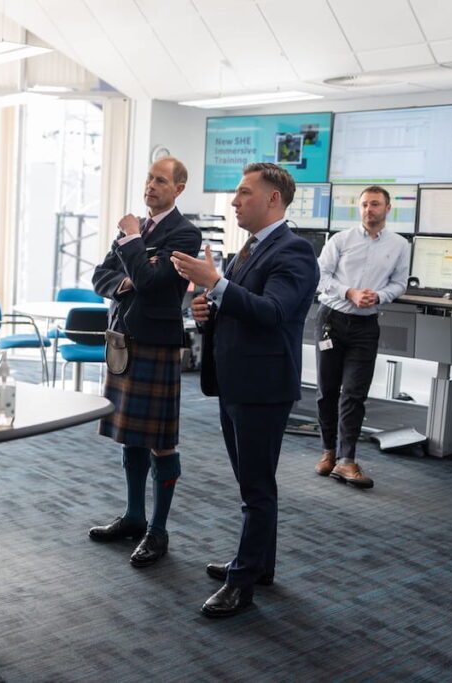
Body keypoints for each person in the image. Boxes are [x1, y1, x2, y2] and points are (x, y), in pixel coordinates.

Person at [170, 162, 318, 618]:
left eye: (243, 193)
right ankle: (260, 565)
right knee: (252, 483)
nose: (233, 201)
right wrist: (205, 306)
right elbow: (237, 306)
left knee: (256, 488)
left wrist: (216, 284)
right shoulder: (245, 251)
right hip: (235, 381)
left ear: (273, 199)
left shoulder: (295, 252)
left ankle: (242, 582)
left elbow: (272, 313)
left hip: (263, 387)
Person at [88, 157, 201, 567]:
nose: (150, 186)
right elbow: (99, 276)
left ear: (179, 188)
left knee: (160, 440)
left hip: (157, 345)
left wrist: (133, 240)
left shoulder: (185, 233)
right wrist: (125, 280)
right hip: (123, 341)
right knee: (130, 437)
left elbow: (154, 286)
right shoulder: (133, 231)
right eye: (149, 178)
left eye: (160, 180)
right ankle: (134, 517)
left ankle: (158, 530)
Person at [313, 186, 410, 488]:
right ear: (359, 208)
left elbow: (400, 283)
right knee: (327, 390)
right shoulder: (340, 240)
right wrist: (349, 292)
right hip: (331, 320)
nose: (370, 210)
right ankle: (329, 451)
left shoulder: (399, 245)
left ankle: (346, 460)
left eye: (376, 204)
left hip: (366, 326)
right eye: (365, 205)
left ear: (388, 208)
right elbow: (320, 276)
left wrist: (378, 296)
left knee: (354, 393)